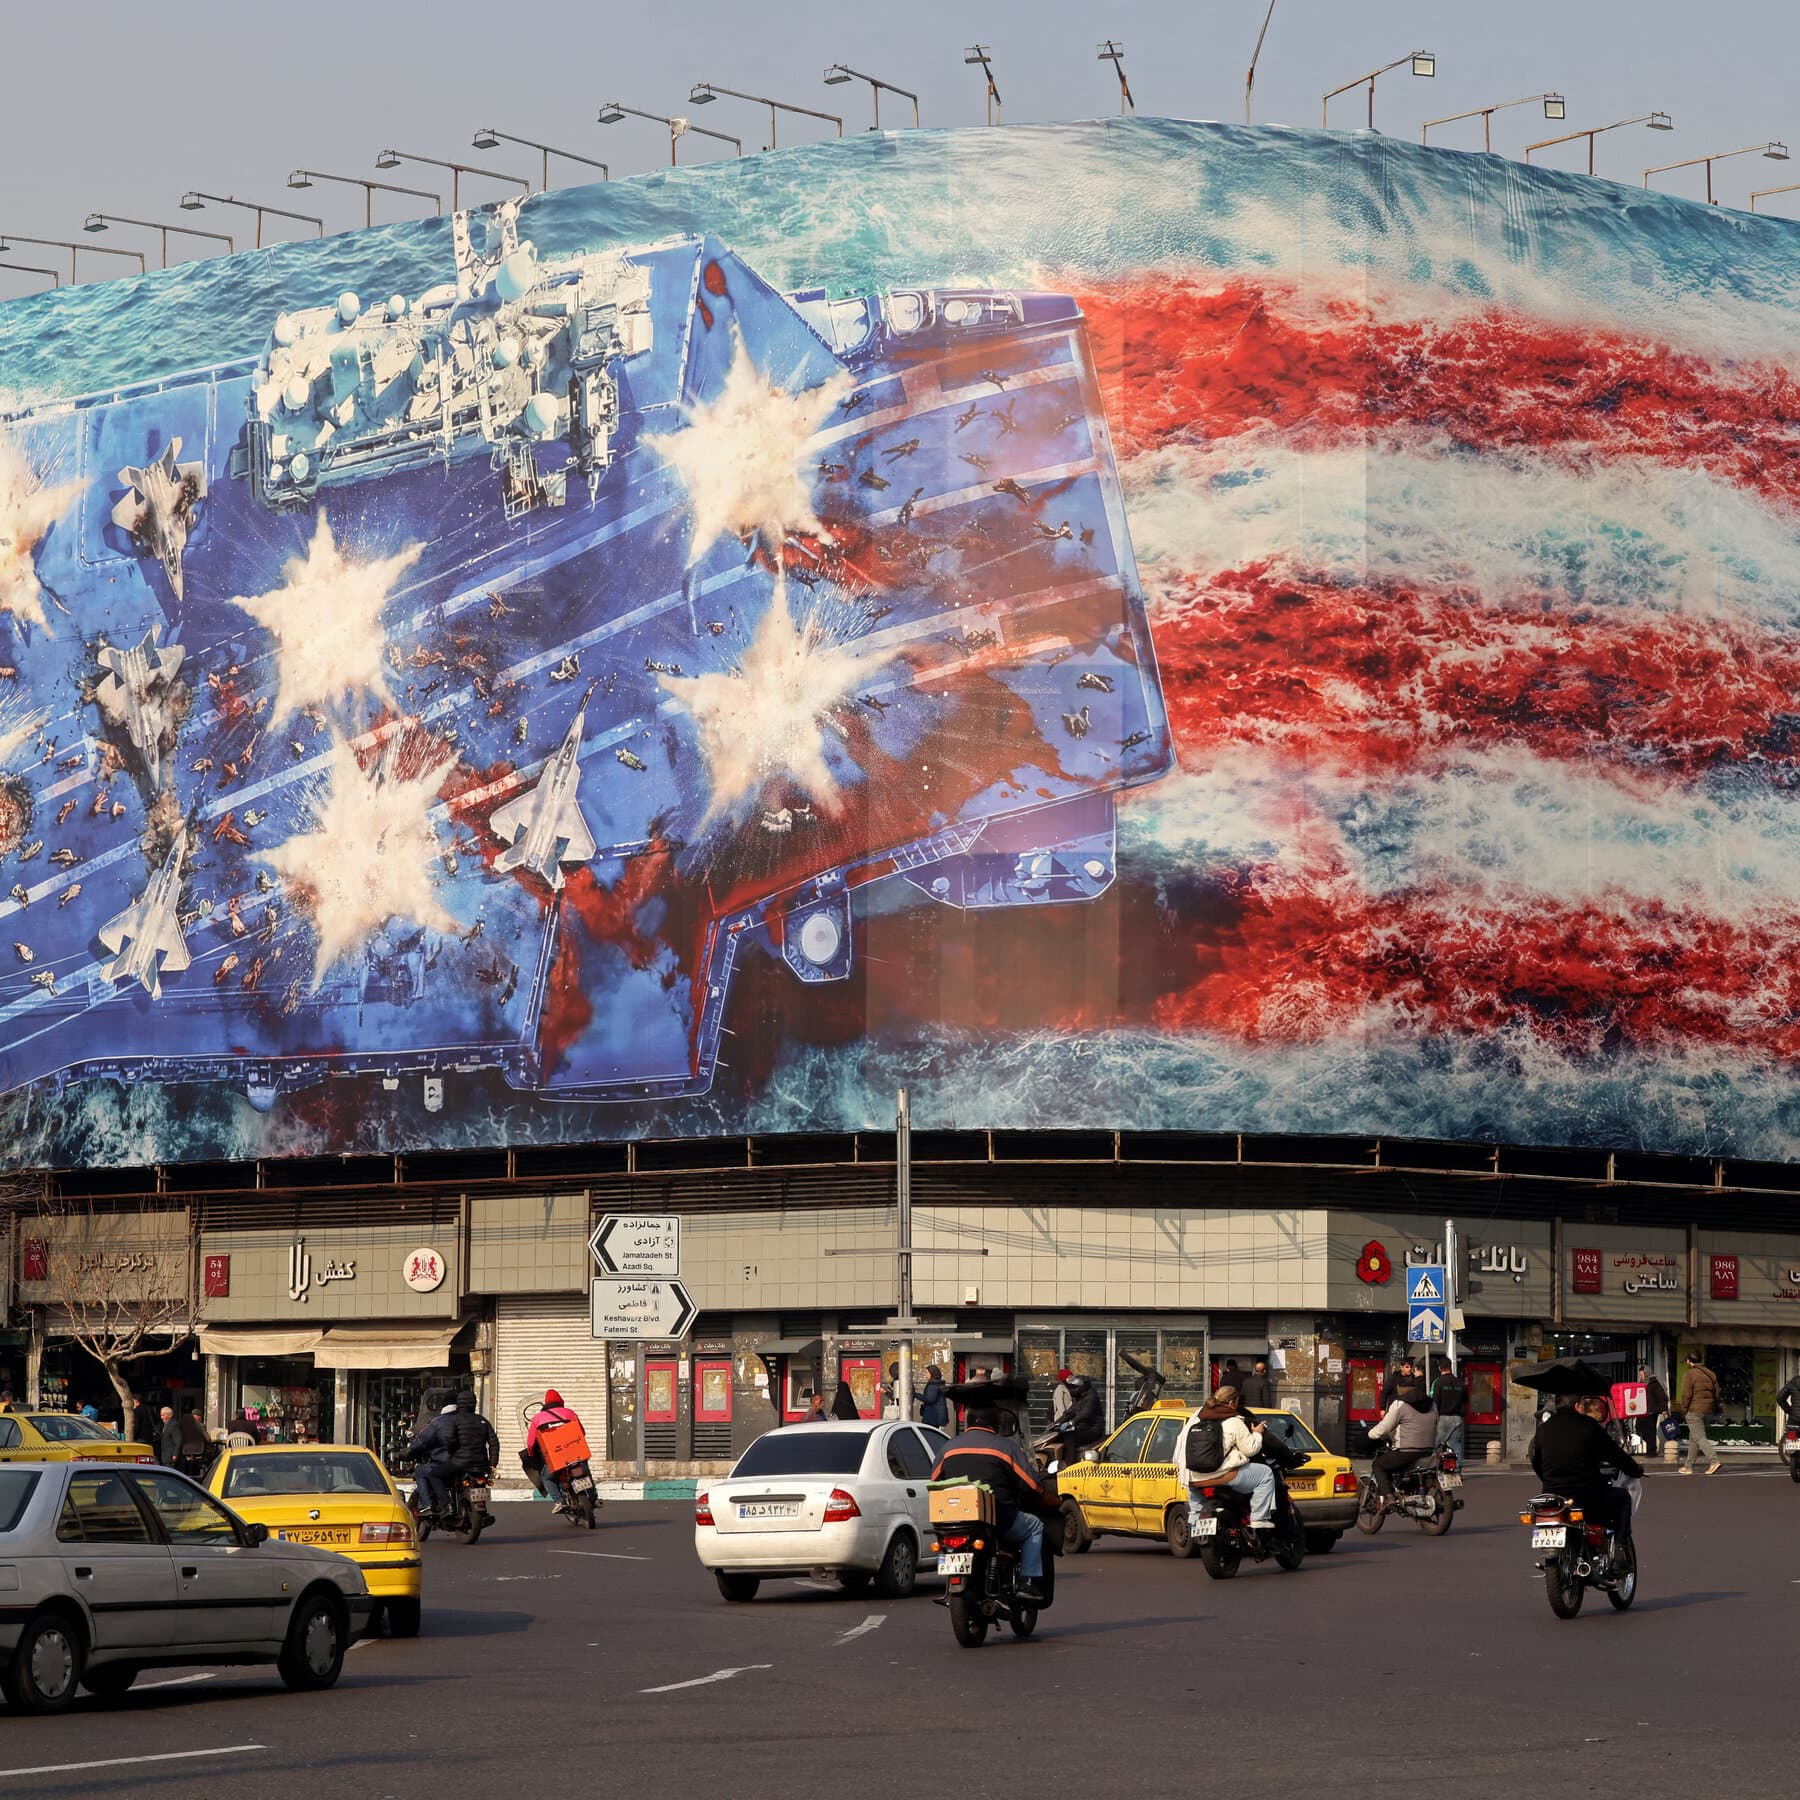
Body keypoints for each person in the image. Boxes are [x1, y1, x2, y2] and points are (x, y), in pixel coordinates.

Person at [930, 1393, 1055, 1602]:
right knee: (1035, 1526)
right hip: (999, 1518)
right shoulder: (1006, 1448)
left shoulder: (948, 1448)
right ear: (996, 1423)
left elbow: (934, 1482)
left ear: (967, 1422)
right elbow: (1033, 1486)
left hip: (952, 1522)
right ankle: (1028, 1582)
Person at [1531, 1395, 1642, 1542]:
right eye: (1583, 1405)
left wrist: (1549, 1480)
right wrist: (1635, 1470)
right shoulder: (1589, 1425)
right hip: (1586, 1496)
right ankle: (1620, 1549)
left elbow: (1536, 1460)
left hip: (1552, 1496)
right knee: (1622, 1498)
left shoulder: (1543, 1429)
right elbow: (1615, 1455)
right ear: (1577, 1406)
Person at [1178, 1386, 1275, 1533]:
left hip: (1192, 1477)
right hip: (1222, 1476)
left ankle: (1195, 1522)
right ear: (1232, 1403)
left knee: (1196, 1490)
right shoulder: (1233, 1421)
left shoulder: (1195, 1418)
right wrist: (1257, 1434)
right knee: (1266, 1474)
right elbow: (1251, 1449)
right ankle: (1259, 1519)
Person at [407, 1390, 498, 1522]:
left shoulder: (452, 1420)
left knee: (434, 1474)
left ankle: (446, 1504)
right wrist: (492, 1464)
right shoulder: (482, 1420)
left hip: (460, 1463)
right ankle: (482, 1512)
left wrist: (453, 1453)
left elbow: (448, 1439)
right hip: (481, 1465)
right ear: (474, 1403)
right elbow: (494, 1443)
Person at [1367, 1382, 1438, 1498]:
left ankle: (1389, 1497)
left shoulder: (1399, 1404)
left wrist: (1370, 1434)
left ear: (1400, 1389)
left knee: (1378, 1465)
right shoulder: (1433, 1404)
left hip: (1406, 1451)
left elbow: (1385, 1427)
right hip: (1428, 1450)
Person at [522, 1388, 584, 1509]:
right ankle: (593, 1497)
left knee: (547, 1478)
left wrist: (531, 1455)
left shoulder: (538, 1418)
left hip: (554, 1458)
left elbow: (531, 1443)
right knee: (584, 1471)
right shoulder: (570, 1413)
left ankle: (559, 1501)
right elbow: (581, 1432)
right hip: (575, 1454)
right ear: (561, 1400)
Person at [1676, 1352, 1722, 1476]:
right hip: (1708, 1410)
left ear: (1689, 1361)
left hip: (1694, 1410)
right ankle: (1688, 1466)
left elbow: (1686, 1395)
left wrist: (1683, 1410)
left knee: (1699, 1437)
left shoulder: (1689, 1374)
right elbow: (1717, 1392)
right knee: (1694, 1438)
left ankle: (1714, 1461)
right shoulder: (1710, 1374)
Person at [1059, 1375, 1105, 1455]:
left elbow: (1085, 1413)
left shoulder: (1091, 1397)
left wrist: (1071, 1423)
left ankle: (1069, 1463)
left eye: (1074, 1387)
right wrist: (1057, 1422)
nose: (1072, 1390)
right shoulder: (1078, 1397)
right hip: (1082, 1427)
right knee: (1060, 1436)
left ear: (1082, 1386)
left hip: (1093, 1429)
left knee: (1070, 1438)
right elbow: (1071, 1411)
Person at [1430, 1362, 1467, 1462]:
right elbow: (1465, 1401)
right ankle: (1458, 1470)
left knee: (1437, 1445)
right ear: (1450, 1367)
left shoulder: (1439, 1382)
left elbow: (1435, 1401)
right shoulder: (1460, 1382)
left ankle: (1435, 1468)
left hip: (1443, 1417)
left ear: (1440, 1368)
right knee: (1456, 1445)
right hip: (1457, 1417)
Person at [1640, 1365, 1669, 1457]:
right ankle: (1651, 1448)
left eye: (1642, 1374)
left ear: (1646, 1373)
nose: (1641, 1376)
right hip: (1643, 1411)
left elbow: (1661, 1396)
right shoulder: (1642, 1383)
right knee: (1639, 1427)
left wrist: (1664, 1409)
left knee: (1651, 1431)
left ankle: (1651, 1451)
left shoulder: (1654, 1382)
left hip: (1652, 1410)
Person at [178, 1407, 211, 1479]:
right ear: (199, 1417)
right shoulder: (200, 1425)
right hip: (198, 1453)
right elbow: (207, 1439)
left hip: (186, 1452)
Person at [918, 1366, 949, 1431]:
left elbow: (929, 1399)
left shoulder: (933, 1385)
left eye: (927, 1373)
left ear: (932, 1373)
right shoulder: (938, 1383)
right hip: (936, 1416)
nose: (926, 1375)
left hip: (932, 1417)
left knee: (928, 1435)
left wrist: (916, 1395)